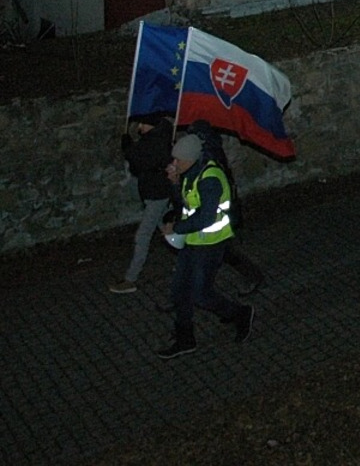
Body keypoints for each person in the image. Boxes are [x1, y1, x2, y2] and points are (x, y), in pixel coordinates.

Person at [157, 134, 254, 359]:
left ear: (190, 159)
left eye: (178, 160)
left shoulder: (210, 178)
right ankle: (185, 339)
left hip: (211, 244)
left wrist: (177, 229)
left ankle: (240, 314)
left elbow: (206, 218)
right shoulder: (190, 173)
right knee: (180, 290)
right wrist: (174, 185)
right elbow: (186, 205)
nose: (174, 164)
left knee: (201, 294)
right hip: (193, 242)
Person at [188, 119, 266, 296]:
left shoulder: (207, 156)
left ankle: (253, 276)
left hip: (216, 215)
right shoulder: (209, 151)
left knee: (223, 251)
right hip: (216, 214)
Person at [109, 115, 175, 294]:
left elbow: (140, 161)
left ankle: (131, 279)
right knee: (168, 230)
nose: (139, 127)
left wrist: (128, 148)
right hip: (154, 192)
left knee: (143, 235)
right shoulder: (158, 138)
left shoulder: (155, 142)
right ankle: (189, 259)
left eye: (142, 124)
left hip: (157, 193)